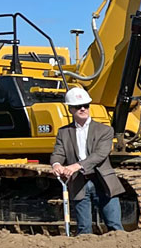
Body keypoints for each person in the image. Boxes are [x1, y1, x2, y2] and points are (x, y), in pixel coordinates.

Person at [50, 87, 126, 234]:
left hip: (102, 181)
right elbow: (58, 152)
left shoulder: (105, 130)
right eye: (78, 106)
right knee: (83, 229)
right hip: (79, 182)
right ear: (71, 109)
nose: (83, 109)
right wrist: (57, 164)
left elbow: (100, 154)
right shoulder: (64, 132)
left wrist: (76, 166)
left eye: (86, 105)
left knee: (114, 226)